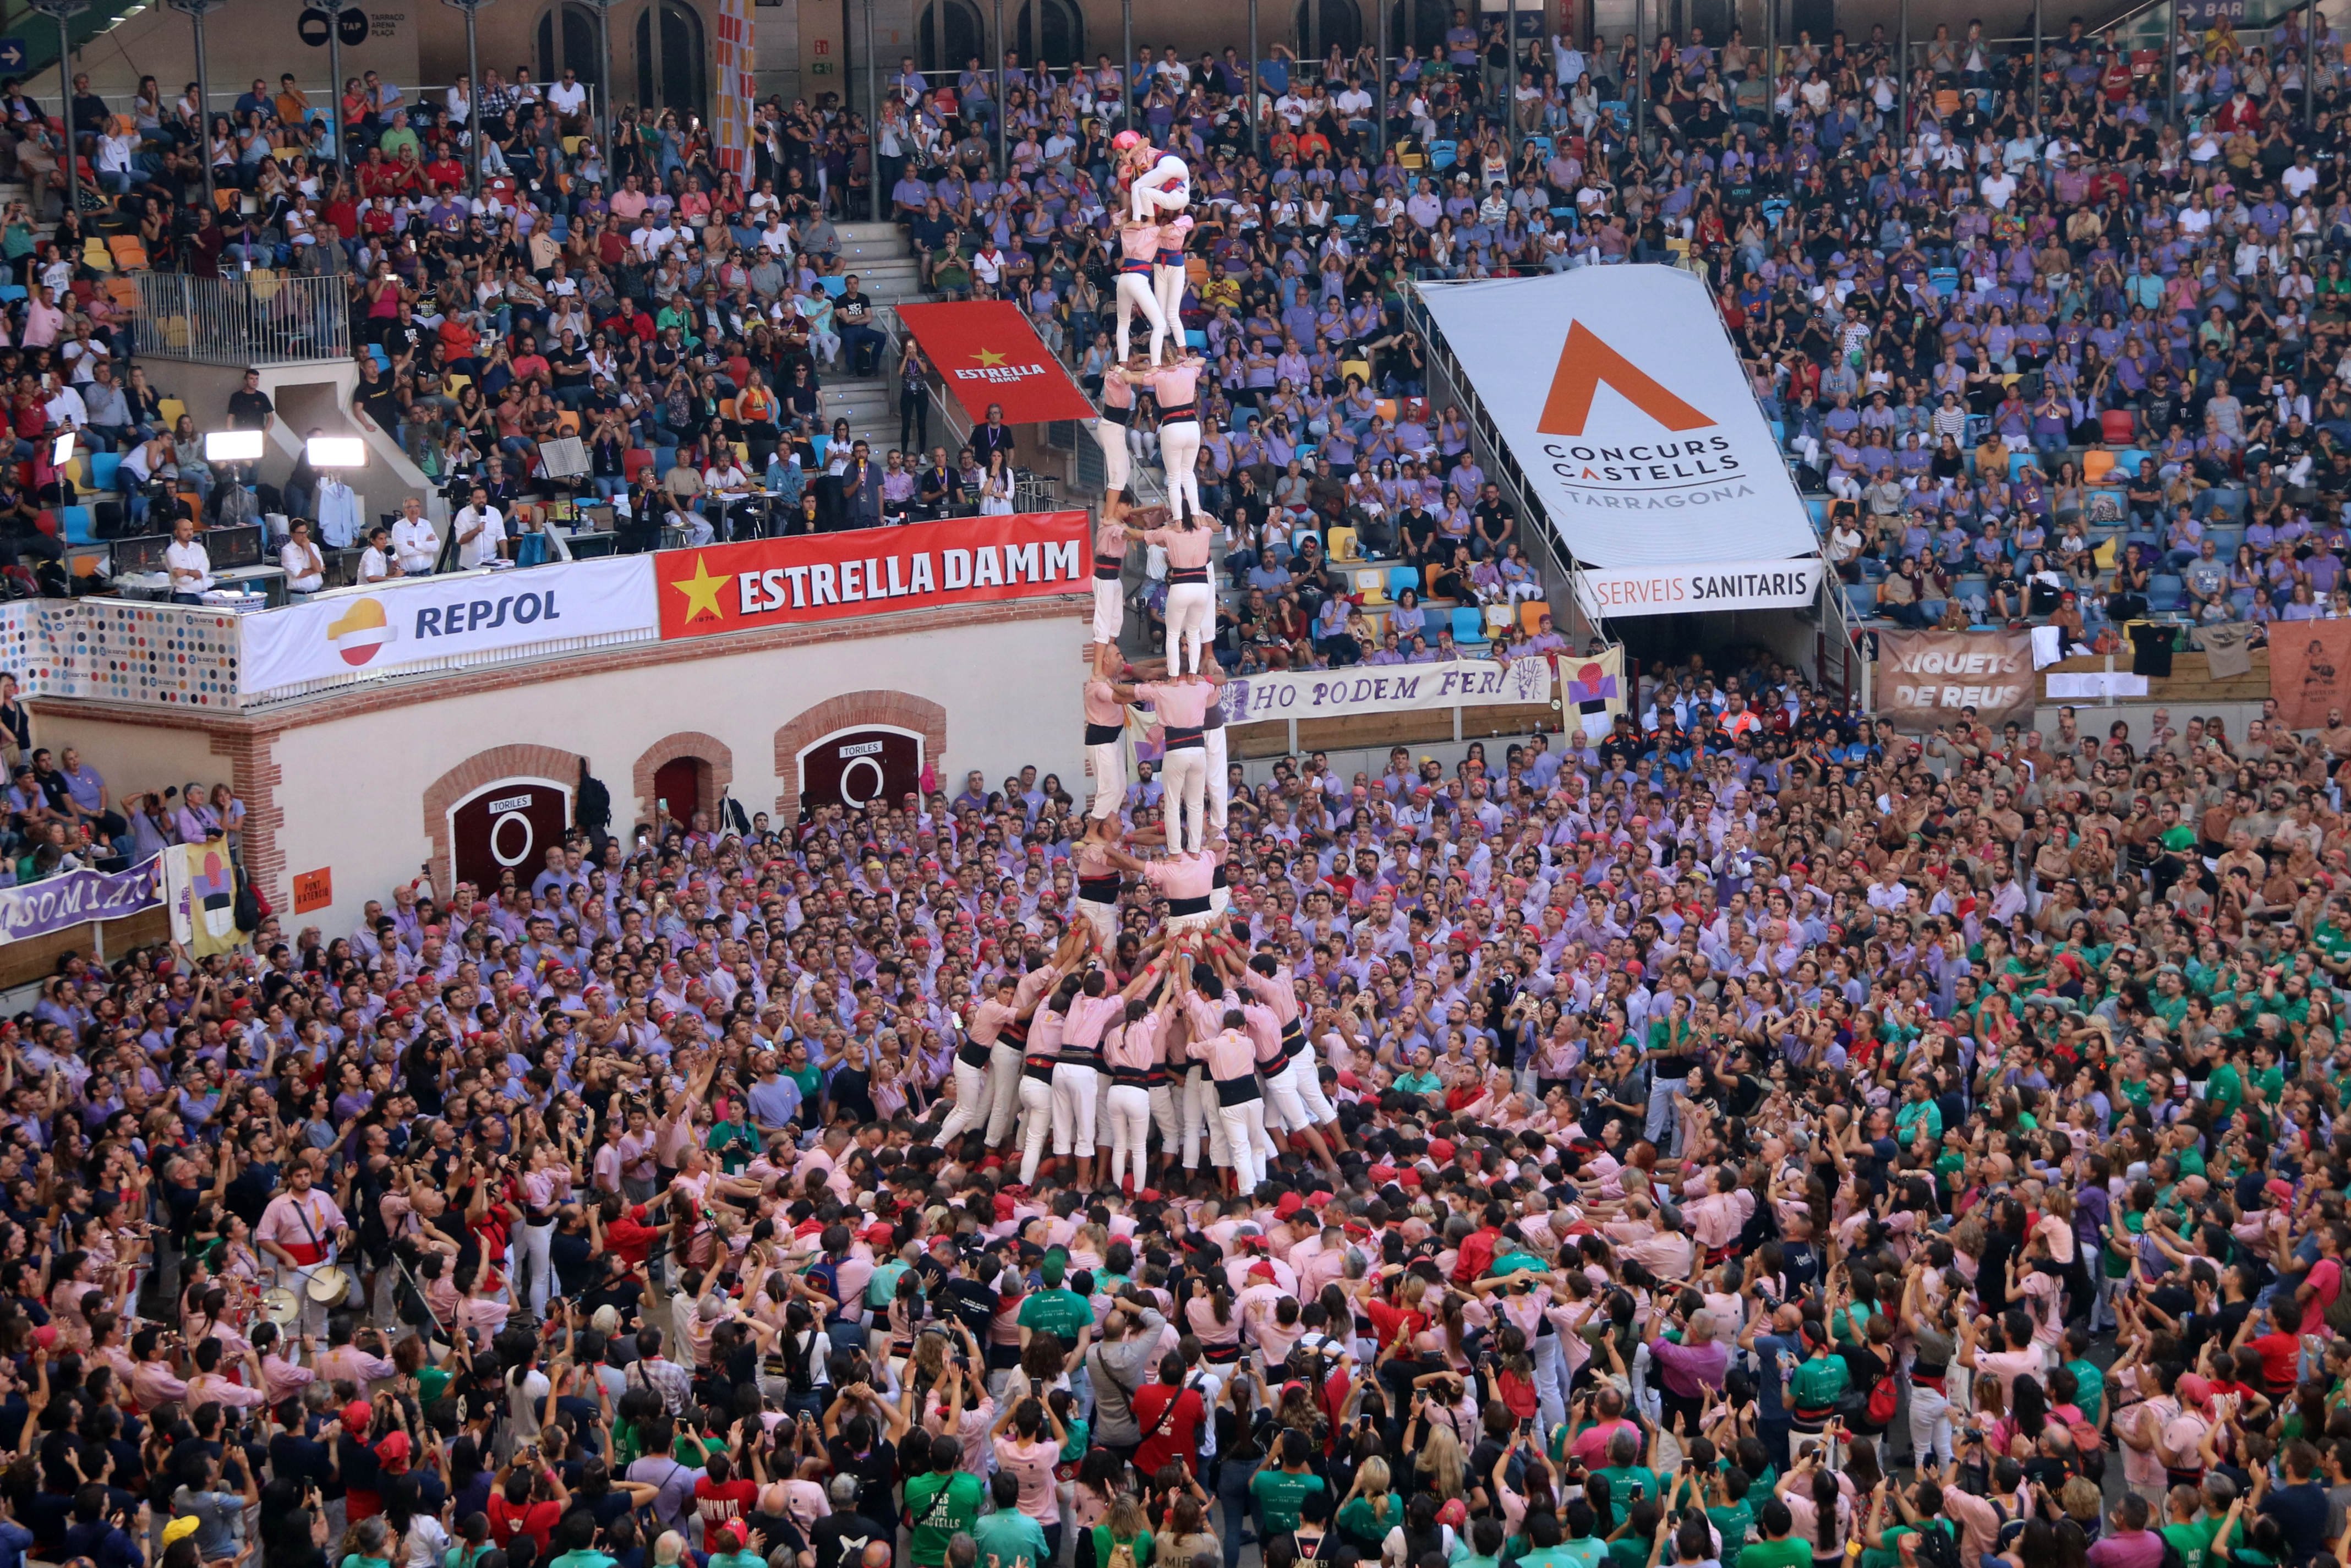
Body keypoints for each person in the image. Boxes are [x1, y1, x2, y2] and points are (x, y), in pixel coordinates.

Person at [165, 513, 212, 603]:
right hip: (184, 596)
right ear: (177, 532)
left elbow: (204, 573)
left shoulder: (199, 548)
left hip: (204, 594)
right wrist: (197, 574)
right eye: (185, 530)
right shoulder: (172, 551)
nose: (190, 533)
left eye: (191, 529)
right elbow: (183, 580)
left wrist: (187, 572)